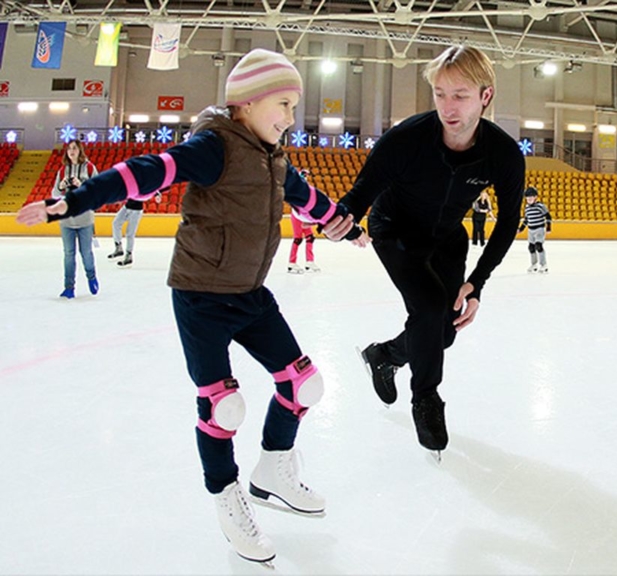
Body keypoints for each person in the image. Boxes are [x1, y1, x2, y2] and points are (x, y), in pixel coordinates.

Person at [17, 48, 364, 564]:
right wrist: (70, 202)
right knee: (225, 406)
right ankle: (227, 497)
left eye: (294, 107)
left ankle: (273, 469)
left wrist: (347, 225)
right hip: (200, 295)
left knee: (302, 383)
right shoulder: (213, 145)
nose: (292, 119)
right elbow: (145, 172)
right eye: (285, 105)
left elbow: (309, 198)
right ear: (247, 103)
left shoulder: (275, 159)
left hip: (249, 293)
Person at [324, 45, 525, 455]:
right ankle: (426, 399)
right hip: (395, 229)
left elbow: (506, 222)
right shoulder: (406, 139)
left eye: (460, 95)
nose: (447, 107)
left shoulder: (503, 154)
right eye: (440, 93)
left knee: (443, 332)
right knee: (431, 310)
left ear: (486, 96)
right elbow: (359, 196)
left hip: (447, 237)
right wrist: (341, 220)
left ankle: (385, 355)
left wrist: (477, 283)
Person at [52, 139, 100, 299]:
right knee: (68, 254)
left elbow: (97, 191)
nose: (71, 151)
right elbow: (55, 194)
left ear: (80, 151)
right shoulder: (62, 170)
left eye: (75, 148)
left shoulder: (90, 168)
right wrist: (61, 187)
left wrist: (82, 185)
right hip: (66, 219)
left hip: (85, 218)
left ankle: (91, 277)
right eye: (69, 148)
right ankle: (69, 287)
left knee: (86, 252)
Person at [107, 192, 162, 267]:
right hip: (127, 207)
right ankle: (118, 247)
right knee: (116, 223)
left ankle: (129, 255)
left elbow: (151, 188)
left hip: (136, 210)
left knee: (130, 233)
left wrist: (157, 195)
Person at [287, 168, 320, 273]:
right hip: (297, 215)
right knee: (297, 238)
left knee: (310, 237)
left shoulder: (306, 189)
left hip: (303, 215)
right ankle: (292, 262)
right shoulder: (297, 188)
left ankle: (309, 261)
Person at [517, 186, 552, 273]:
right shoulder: (527, 208)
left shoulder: (540, 206)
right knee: (531, 247)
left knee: (538, 245)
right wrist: (521, 229)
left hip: (539, 229)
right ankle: (534, 264)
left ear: (535, 197)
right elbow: (526, 220)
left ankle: (544, 265)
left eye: (531, 197)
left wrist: (548, 227)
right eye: (527, 197)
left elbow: (548, 216)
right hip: (530, 230)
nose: (529, 199)